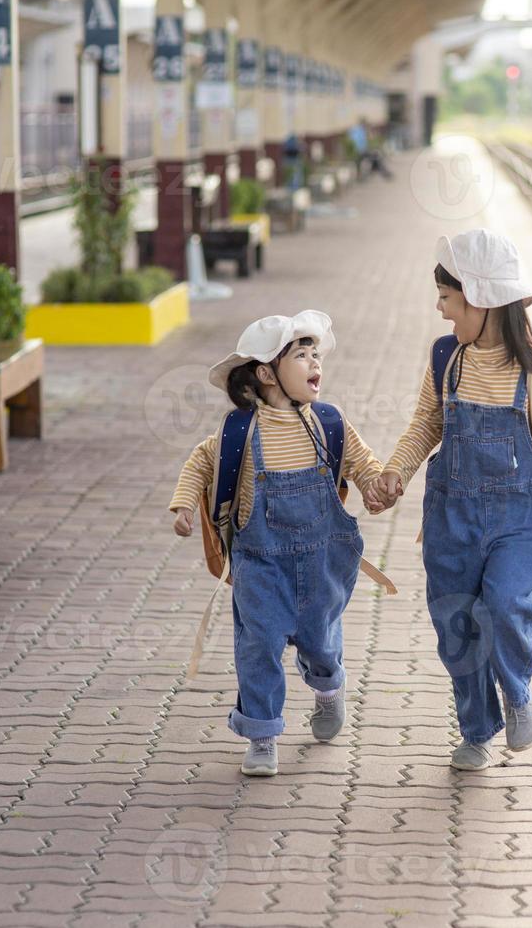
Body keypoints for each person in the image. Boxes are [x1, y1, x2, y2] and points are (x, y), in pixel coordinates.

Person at [374, 229, 532, 771]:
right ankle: (475, 731)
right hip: (451, 516)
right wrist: (398, 469)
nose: (440, 309)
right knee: (457, 624)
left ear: (481, 298)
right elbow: (427, 422)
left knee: (504, 601)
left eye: (447, 297)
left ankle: (517, 695)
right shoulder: (448, 357)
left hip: (522, 519)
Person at [169, 311, 387, 777]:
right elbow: (199, 466)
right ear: (267, 374)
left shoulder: (329, 424)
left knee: (321, 640)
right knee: (259, 644)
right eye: (301, 355)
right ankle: (263, 733)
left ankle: (328, 686)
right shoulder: (239, 432)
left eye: (315, 354)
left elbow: (362, 461)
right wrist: (184, 506)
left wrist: (374, 484)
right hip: (259, 564)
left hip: (322, 562)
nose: (314, 363)